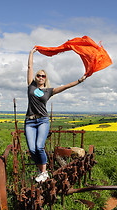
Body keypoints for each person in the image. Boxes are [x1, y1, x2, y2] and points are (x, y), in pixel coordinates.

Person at [25, 46, 87, 183]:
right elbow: (29, 67)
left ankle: (44, 172)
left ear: (45, 79)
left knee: (39, 146)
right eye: (38, 75)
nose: (40, 77)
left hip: (42, 121)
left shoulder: (49, 91)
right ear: (35, 77)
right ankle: (40, 169)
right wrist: (31, 53)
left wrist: (80, 80)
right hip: (29, 121)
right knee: (32, 148)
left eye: (43, 76)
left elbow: (65, 86)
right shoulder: (31, 86)